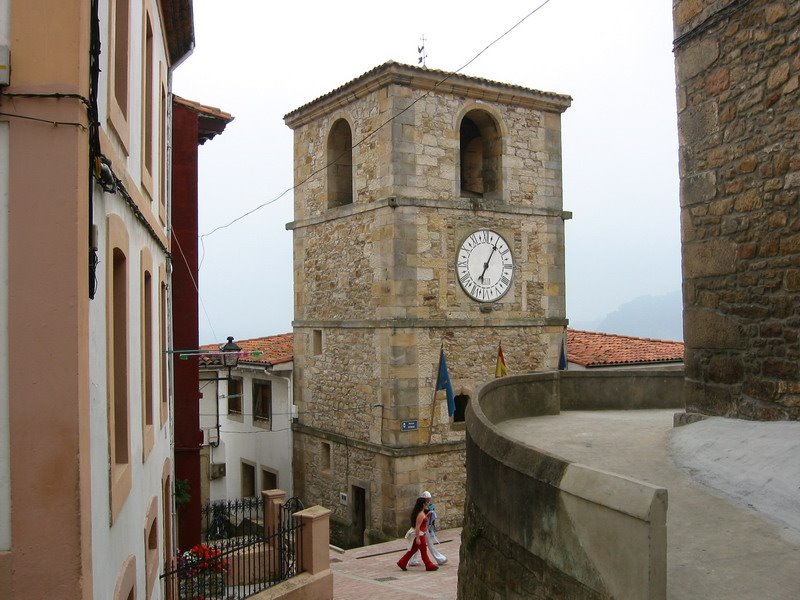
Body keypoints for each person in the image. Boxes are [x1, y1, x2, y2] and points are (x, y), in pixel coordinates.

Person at [397, 495, 438, 571]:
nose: (428, 504)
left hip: (421, 534)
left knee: (413, 550)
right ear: (423, 504)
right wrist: (418, 538)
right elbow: (417, 527)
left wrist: (427, 515)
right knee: (424, 551)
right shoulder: (420, 514)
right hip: (420, 535)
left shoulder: (421, 513)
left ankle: (402, 562)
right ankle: (428, 565)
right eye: (426, 503)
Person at [408, 491, 447, 566]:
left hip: (424, 530)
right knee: (418, 547)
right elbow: (419, 522)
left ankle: (438, 558)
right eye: (427, 500)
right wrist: (417, 537)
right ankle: (414, 560)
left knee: (425, 545)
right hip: (420, 531)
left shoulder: (425, 508)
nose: (428, 502)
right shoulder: (420, 510)